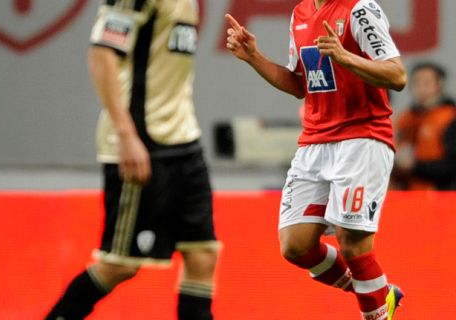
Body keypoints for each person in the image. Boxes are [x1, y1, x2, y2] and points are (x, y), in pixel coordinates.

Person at [225, 0, 406, 319]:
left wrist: (345, 56)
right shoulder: (300, 13)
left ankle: (375, 309)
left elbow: (397, 75)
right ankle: (377, 293)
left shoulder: (360, 10)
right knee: (295, 246)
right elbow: (300, 85)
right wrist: (254, 57)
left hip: (361, 137)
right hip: (315, 142)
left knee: (351, 243)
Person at [46, 0, 219, 319]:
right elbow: (102, 54)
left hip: (184, 142)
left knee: (203, 255)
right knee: (119, 265)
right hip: (142, 143)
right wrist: (126, 135)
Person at [391, 62, 456, 190]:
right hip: (407, 193)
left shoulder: (450, 117)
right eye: (417, 82)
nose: (421, 88)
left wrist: (415, 166)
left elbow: (452, 165)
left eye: (427, 83)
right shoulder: (405, 118)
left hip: (442, 193)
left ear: (439, 85)